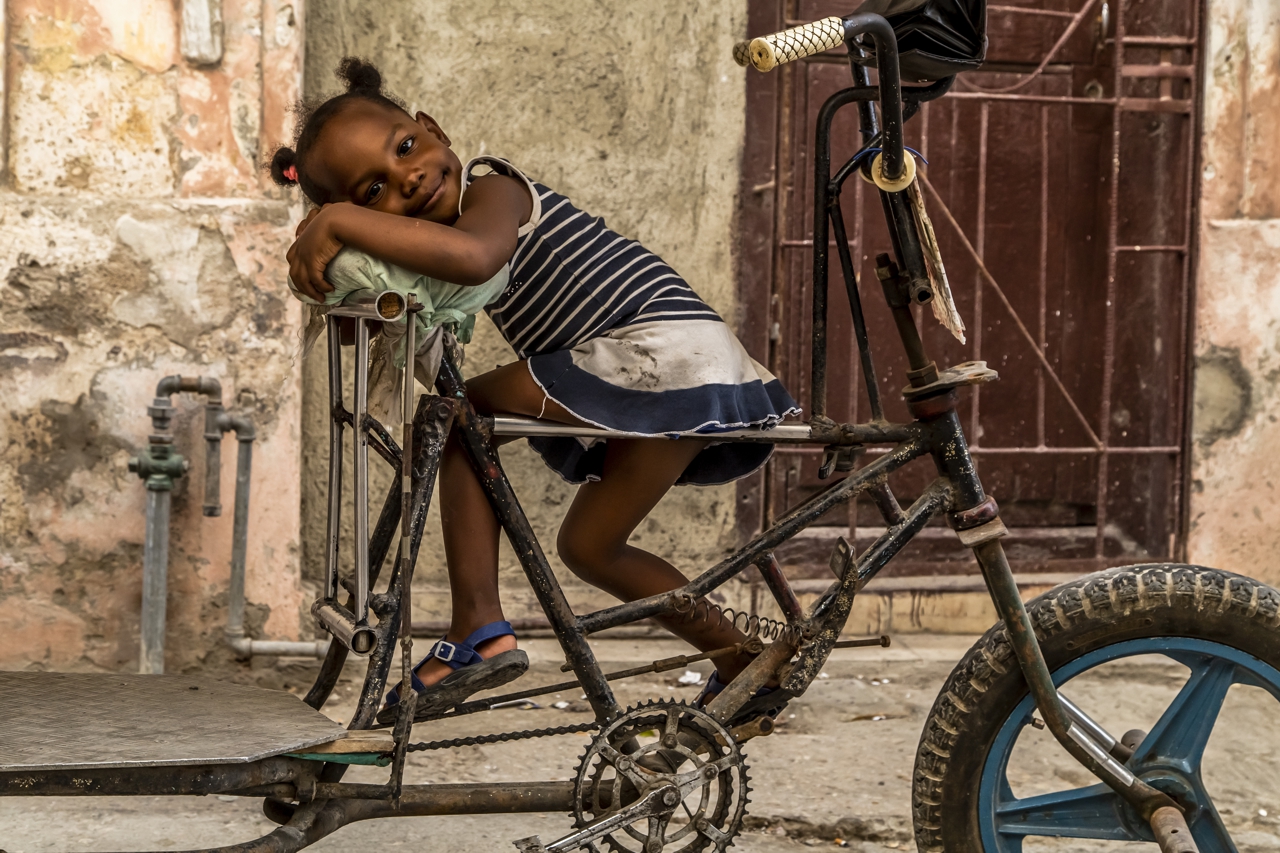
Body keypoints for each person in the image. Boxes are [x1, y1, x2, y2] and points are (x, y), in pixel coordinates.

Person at [271, 58, 799, 720]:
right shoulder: (434, 237)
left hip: (657, 347)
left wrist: (341, 224)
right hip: (665, 364)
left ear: (432, 129)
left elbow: (475, 259)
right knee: (589, 547)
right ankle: (744, 658)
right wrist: (343, 269)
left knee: (460, 419)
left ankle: (478, 627)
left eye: (406, 147)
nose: (408, 177)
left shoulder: (495, 191)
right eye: (374, 190)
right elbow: (377, 317)